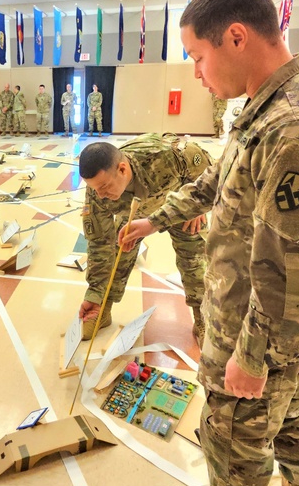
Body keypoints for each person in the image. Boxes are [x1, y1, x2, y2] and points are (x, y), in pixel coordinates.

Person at [120, 0, 299, 486]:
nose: (197, 74)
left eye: (198, 57)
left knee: (237, 419)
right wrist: (157, 219)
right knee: (293, 404)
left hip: (265, 318)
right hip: (290, 322)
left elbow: (287, 268)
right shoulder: (267, 106)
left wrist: (250, 357)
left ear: (236, 37)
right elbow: (217, 183)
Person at [78, 135, 209, 341]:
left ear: (122, 169)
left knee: (194, 261)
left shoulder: (163, 157)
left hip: (178, 208)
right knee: (117, 252)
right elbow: (98, 243)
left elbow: (204, 164)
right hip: (136, 214)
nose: (100, 195)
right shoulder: (97, 191)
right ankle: (102, 308)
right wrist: (94, 294)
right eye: (95, 189)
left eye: (104, 187)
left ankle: (202, 318)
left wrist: (199, 200)